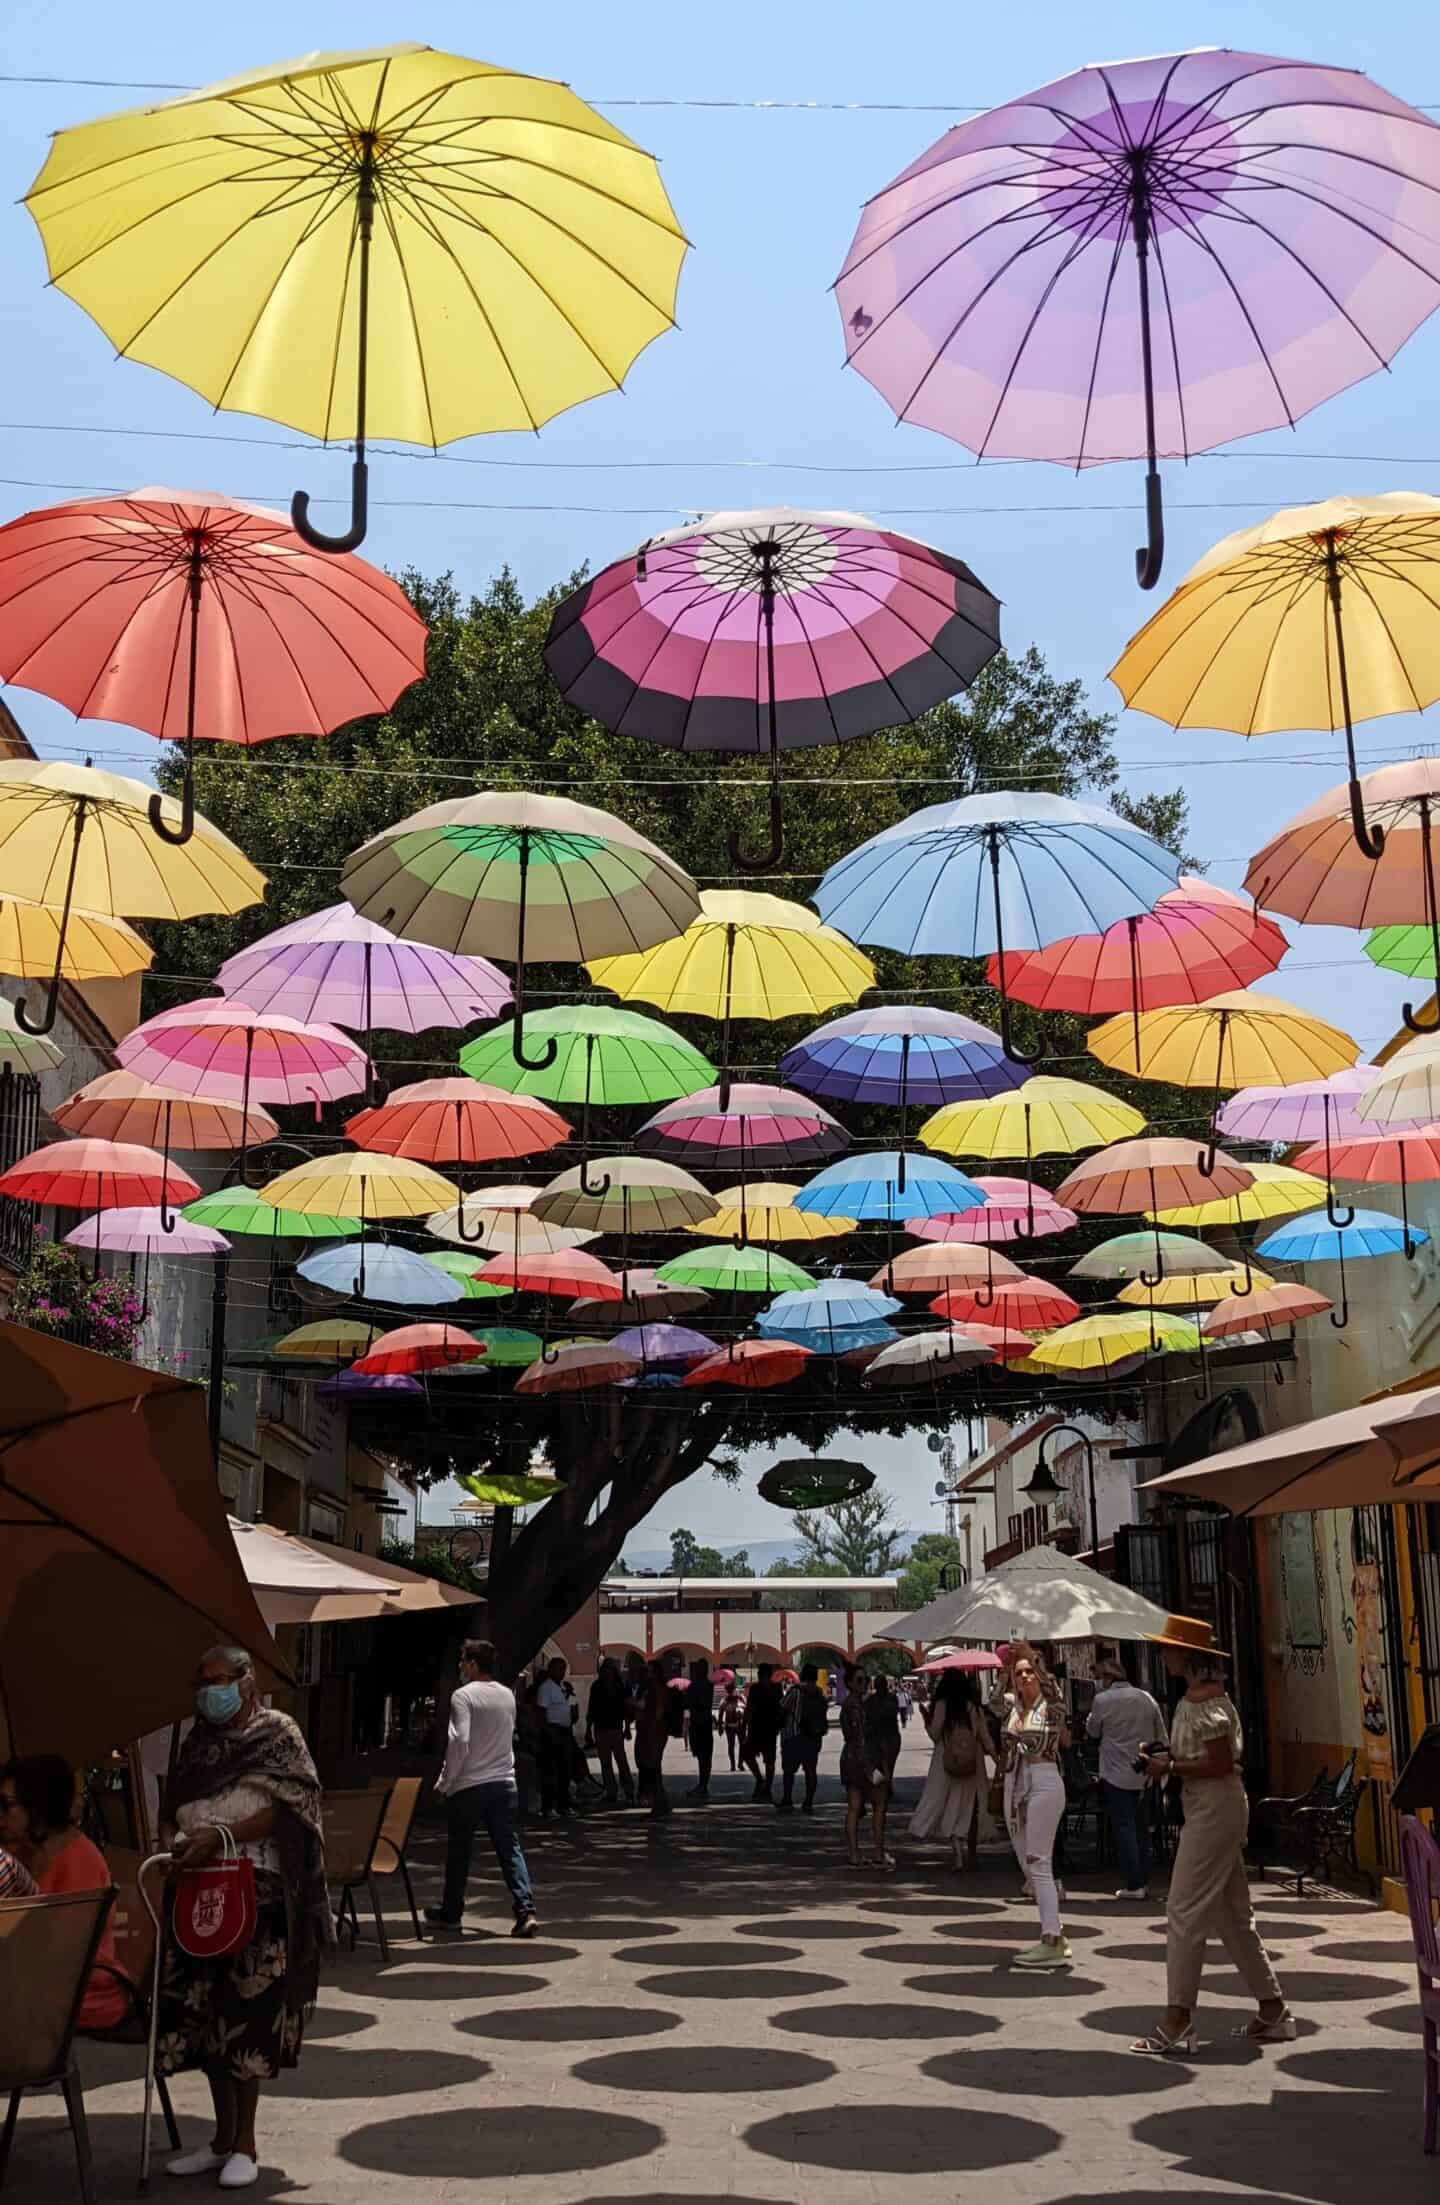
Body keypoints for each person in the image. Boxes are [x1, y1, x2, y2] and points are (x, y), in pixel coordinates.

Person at [155, 1645, 331, 2191]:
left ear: (247, 1682)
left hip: (257, 1894)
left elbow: (290, 1805)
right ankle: (221, 2138)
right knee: (204, 2016)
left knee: (246, 2015)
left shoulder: (278, 1734)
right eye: (202, 1681)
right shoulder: (196, 1743)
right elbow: (173, 1805)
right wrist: (172, 1843)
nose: (211, 1690)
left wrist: (225, 1836)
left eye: (221, 1680)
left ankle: (247, 2142)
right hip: (195, 1893)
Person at [1132, 1617, 1294, 2055]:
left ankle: (1178, 2018)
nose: (1163, 1655)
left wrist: (1170, 1767)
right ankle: (1273, 2009)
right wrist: (1171, 1759)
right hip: (1208, 1805)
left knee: (1183, 1909)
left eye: (1168, 1649)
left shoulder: (1208, 1702)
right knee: (1232, 1916)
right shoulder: (1195, 1699)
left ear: (1187, 1655)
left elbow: (1221, 1763)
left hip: (1214, 1807)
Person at [0, 1756, 128, 2028]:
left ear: (37, 1807)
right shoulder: (20, 1852)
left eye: (6, 1806)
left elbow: (61, 1955)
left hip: (80, 1994)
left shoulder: (81, 1860)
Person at [428, 1639, 538, 1937]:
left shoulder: (462, 1697)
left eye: (463, 1661)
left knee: (460, 1851)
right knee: (509, 1848)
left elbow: (460, 1742)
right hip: (503, 1782)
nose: (460, 1667)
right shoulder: (506, 1695)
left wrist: (444, 1783)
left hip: (469, 1785)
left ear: (474, 1664)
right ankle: (525, 1909)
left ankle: (452, 1913)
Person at [1004, 1641, 1072, 1970]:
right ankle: (1054, 1931)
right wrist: (1009, 1665)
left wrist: (1030, 1654)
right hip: (1022, 1782)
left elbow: (1052, 1689)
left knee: (1039, 1862)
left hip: (1045, 1780)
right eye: (1020, 1674)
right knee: (1030, 1862)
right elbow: (992, 1702)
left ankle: (1051, 1940)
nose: (1026, 1676)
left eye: (1030, 1672)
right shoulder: (1016, 1708)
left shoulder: (1051, 1706)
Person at [1087, 1653, 1166, 1900]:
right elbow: (1161, 1736)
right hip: (1143, 1771)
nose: (1098, 1682)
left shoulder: (1102, 1700)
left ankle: (1134, 1882)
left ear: (1109, 1677)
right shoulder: (1147, 1698)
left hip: (1114, 1772)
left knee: (1124, 1827)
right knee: (1141, 1828)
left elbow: (1093, 1730)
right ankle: (1144, 1877)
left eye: (1099, 1677)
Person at [909, 1669, 987, 1872]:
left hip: (946, 1761)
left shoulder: (943, 1705)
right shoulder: (973, 1708)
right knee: (965, 1807)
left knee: (946, 1803)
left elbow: (935, 1734)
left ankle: (959, 1856)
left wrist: (927, 1719)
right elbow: (982, 1736)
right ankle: (969, 1853)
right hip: (970, 1762)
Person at [777, 1663, 829, 1813]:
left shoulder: (795, 1692)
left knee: (789, 1771)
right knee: (811, 1770)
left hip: (794, 1736)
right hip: (813, 1737)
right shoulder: (820, 1693)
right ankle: (808, 1802)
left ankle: (787, 1800)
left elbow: (782, 1709)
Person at [864, 1672, 903, 1869]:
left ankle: (887, 1783)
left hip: (887, 1738)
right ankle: (883, 1785)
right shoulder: (879, 1700)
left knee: (889, 1765)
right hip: (883, 1741)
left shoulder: (881, 1700)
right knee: (884, 1767)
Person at [586, 1657, 635, 1806]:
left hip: (615, 1729)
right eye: (606, 1669)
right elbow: (592, 1709)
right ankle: (611, 1791)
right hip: (600, 1729)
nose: (608, 1672)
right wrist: (588, 1729)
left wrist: (627, 1727)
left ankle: (629, 1791)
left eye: (610, 1669)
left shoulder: (620, 1686)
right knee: (605, 1763)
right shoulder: (596, 1687)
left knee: (621, 1761)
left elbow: (626, 1709)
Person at [535, 1656, 576, 1819]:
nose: (562, 1672)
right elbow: (541, 1712)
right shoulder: (546, 1688)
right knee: (550, 1771)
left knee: (565, 1771)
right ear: (551, 1669)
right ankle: (548, 1807)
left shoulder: (563, 1687)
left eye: (564, 1669)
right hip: (552, 1732)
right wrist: (547, 1730)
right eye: (559, 1668)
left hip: (565, 1731)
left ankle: (563, 1805)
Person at [742, 1662, 783, 1801]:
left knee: (768, 1760)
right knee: (749, 1754)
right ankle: (761, 1781)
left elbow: (780, 1708)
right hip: (759, 1727)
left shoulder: (774, 1688)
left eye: (762, 1674)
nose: (761, 1676)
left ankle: (766, 1786)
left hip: (768, 1728)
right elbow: (750, 1708)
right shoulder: (757, 1689)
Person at [687, 1657, 715, 1799]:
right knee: (705, 1756)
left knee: (702, 1756)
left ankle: (702, 1785)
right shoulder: (709, 1686)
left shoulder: (694, 1686)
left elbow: (690, 1704)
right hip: (705, 1722)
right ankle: (703, 1784)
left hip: (698, 1723)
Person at [719, 1680, 743, 1769]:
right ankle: (734, 1764)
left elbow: (746, 1709)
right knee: (732, 1745)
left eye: (731, 1690)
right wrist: (720, 1727)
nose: (730, 1692)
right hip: (730, 1726)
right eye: (729, 1690)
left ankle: (739, 1763)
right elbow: (721, 1714)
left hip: (738, 1725)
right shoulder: (724, 1700)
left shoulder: (740, 1698)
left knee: (739, 1745)